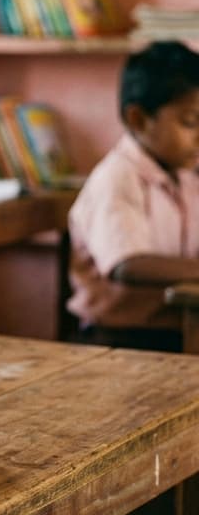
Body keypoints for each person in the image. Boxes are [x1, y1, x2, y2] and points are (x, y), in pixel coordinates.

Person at [68, 39, 199, 352]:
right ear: (139, 119)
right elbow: (126, 264)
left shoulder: (186, 173)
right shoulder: (115, 178)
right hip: (116, 341)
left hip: (177, 328)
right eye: (190, 122)